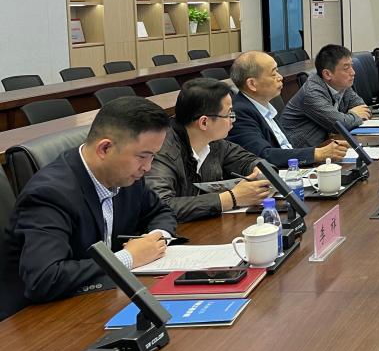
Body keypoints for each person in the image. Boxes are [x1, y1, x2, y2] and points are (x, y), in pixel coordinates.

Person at [1, 97, 178, 319]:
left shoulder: (126, 175)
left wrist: (155, 239)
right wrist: (128, 257)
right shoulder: (49, 194)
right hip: (40, 318)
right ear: (105, 148)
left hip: (102, 299)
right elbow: (44, 278)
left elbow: (160, 211)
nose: (148, 167)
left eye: (152, 156)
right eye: (143, 156)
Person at [147, 78, 270, 222]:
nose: (233, 120)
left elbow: (246, 160)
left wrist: (259, 170)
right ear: (204, 122)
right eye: (229, 114)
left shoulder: (213, 141)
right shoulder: (161, 151)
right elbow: (160, 206)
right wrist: (231, 198)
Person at [228, 51, 348, 167]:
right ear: (252, 84)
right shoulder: (239, 113)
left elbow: (285, 147)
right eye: (274, 74)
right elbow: (262, 156)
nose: (280, 77)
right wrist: (317, 154)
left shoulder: (266, 104)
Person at [280, 44, 371, 145]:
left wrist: (348, 118)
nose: (353, 72)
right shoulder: (312, 92)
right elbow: (340, 125)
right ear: (327, 74)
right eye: (346, 68)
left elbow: (363, 109)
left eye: (351, 66)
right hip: (303, 151)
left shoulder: (342, 84)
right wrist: (353, 115)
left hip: (328, 143)